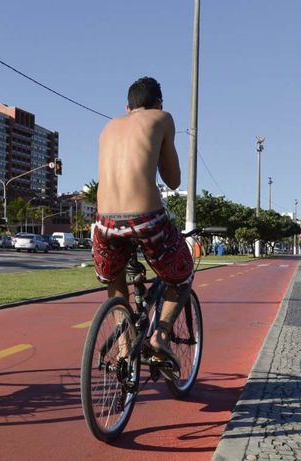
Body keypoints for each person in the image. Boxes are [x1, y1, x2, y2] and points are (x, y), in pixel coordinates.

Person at [93, 77, 193, 379]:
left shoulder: (109, 126)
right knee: (182, 273)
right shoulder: (162, 118)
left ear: (127, 107)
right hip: (146, 218)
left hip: (104, 221)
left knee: (114, 277)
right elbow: (173, 179)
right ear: (159, 103)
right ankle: (160, 336)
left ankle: (124, 348)